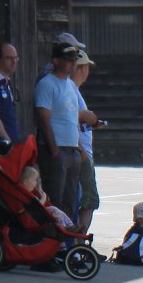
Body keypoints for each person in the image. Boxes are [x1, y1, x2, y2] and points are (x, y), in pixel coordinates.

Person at [34, 42, 83, 222]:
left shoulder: (71, 85)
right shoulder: (47, 84)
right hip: (57, 149)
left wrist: (79, 146)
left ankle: (67, 234)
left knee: (70, 198)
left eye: (74, 60)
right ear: (56, 61)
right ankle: (52, 234)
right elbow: (44, 119)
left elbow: (72, 118)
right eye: (68, 60)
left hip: (72, 148)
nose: (73, 63)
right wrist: (53, 149)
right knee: (55, 197)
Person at [70, 52, 101, 232]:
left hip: (82, 150)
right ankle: (78, 240)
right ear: (81, 69)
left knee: (84, 199)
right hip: (80, 151)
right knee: (89, 200)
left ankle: (77, 239)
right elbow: (65, 120)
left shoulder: (73, 90)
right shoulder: (71, 91)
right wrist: (80, 149)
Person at [17, 165, 74, 230]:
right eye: (34, 180)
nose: (36, 183)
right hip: (36, 217)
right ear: (26, 182)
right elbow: (36, 208)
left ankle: (69, 225)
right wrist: (43, 199)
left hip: (40, 215)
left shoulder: (30, 194)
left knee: (54, 210)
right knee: (54, 210)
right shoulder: (23, 195)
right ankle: (65, 228)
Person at [114, 202, 143, 267]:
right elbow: (138, 244)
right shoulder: (135, 230)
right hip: (132, 257)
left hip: (141, 256)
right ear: (139, 218)